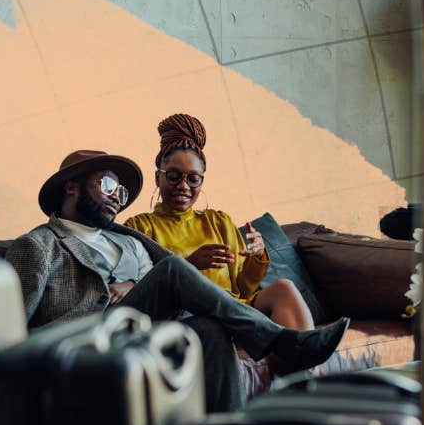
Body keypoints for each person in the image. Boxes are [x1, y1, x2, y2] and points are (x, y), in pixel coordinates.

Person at [5, 149, 348, 388]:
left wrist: (133, 285)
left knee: (210, 329)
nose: (117, 198)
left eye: (121, 191)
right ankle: (278, 341)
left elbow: (156, 288)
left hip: (146, 329)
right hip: (84, 341)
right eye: (109, 185)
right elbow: (11, 332)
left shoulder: (129, 241)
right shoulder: (37, 245)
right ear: (71, 186)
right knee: (171, 270)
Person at [125, 114, 316, 331]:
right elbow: (143, 293)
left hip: (234, 309)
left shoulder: (218, 221)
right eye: (173, 176)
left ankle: (304, 356)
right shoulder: (139, 227)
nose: (184, 186)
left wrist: (256, 257)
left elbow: (244, 290)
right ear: (157, 177)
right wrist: (190, 264)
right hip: (187, 314)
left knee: (284, 288)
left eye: (193, 178)